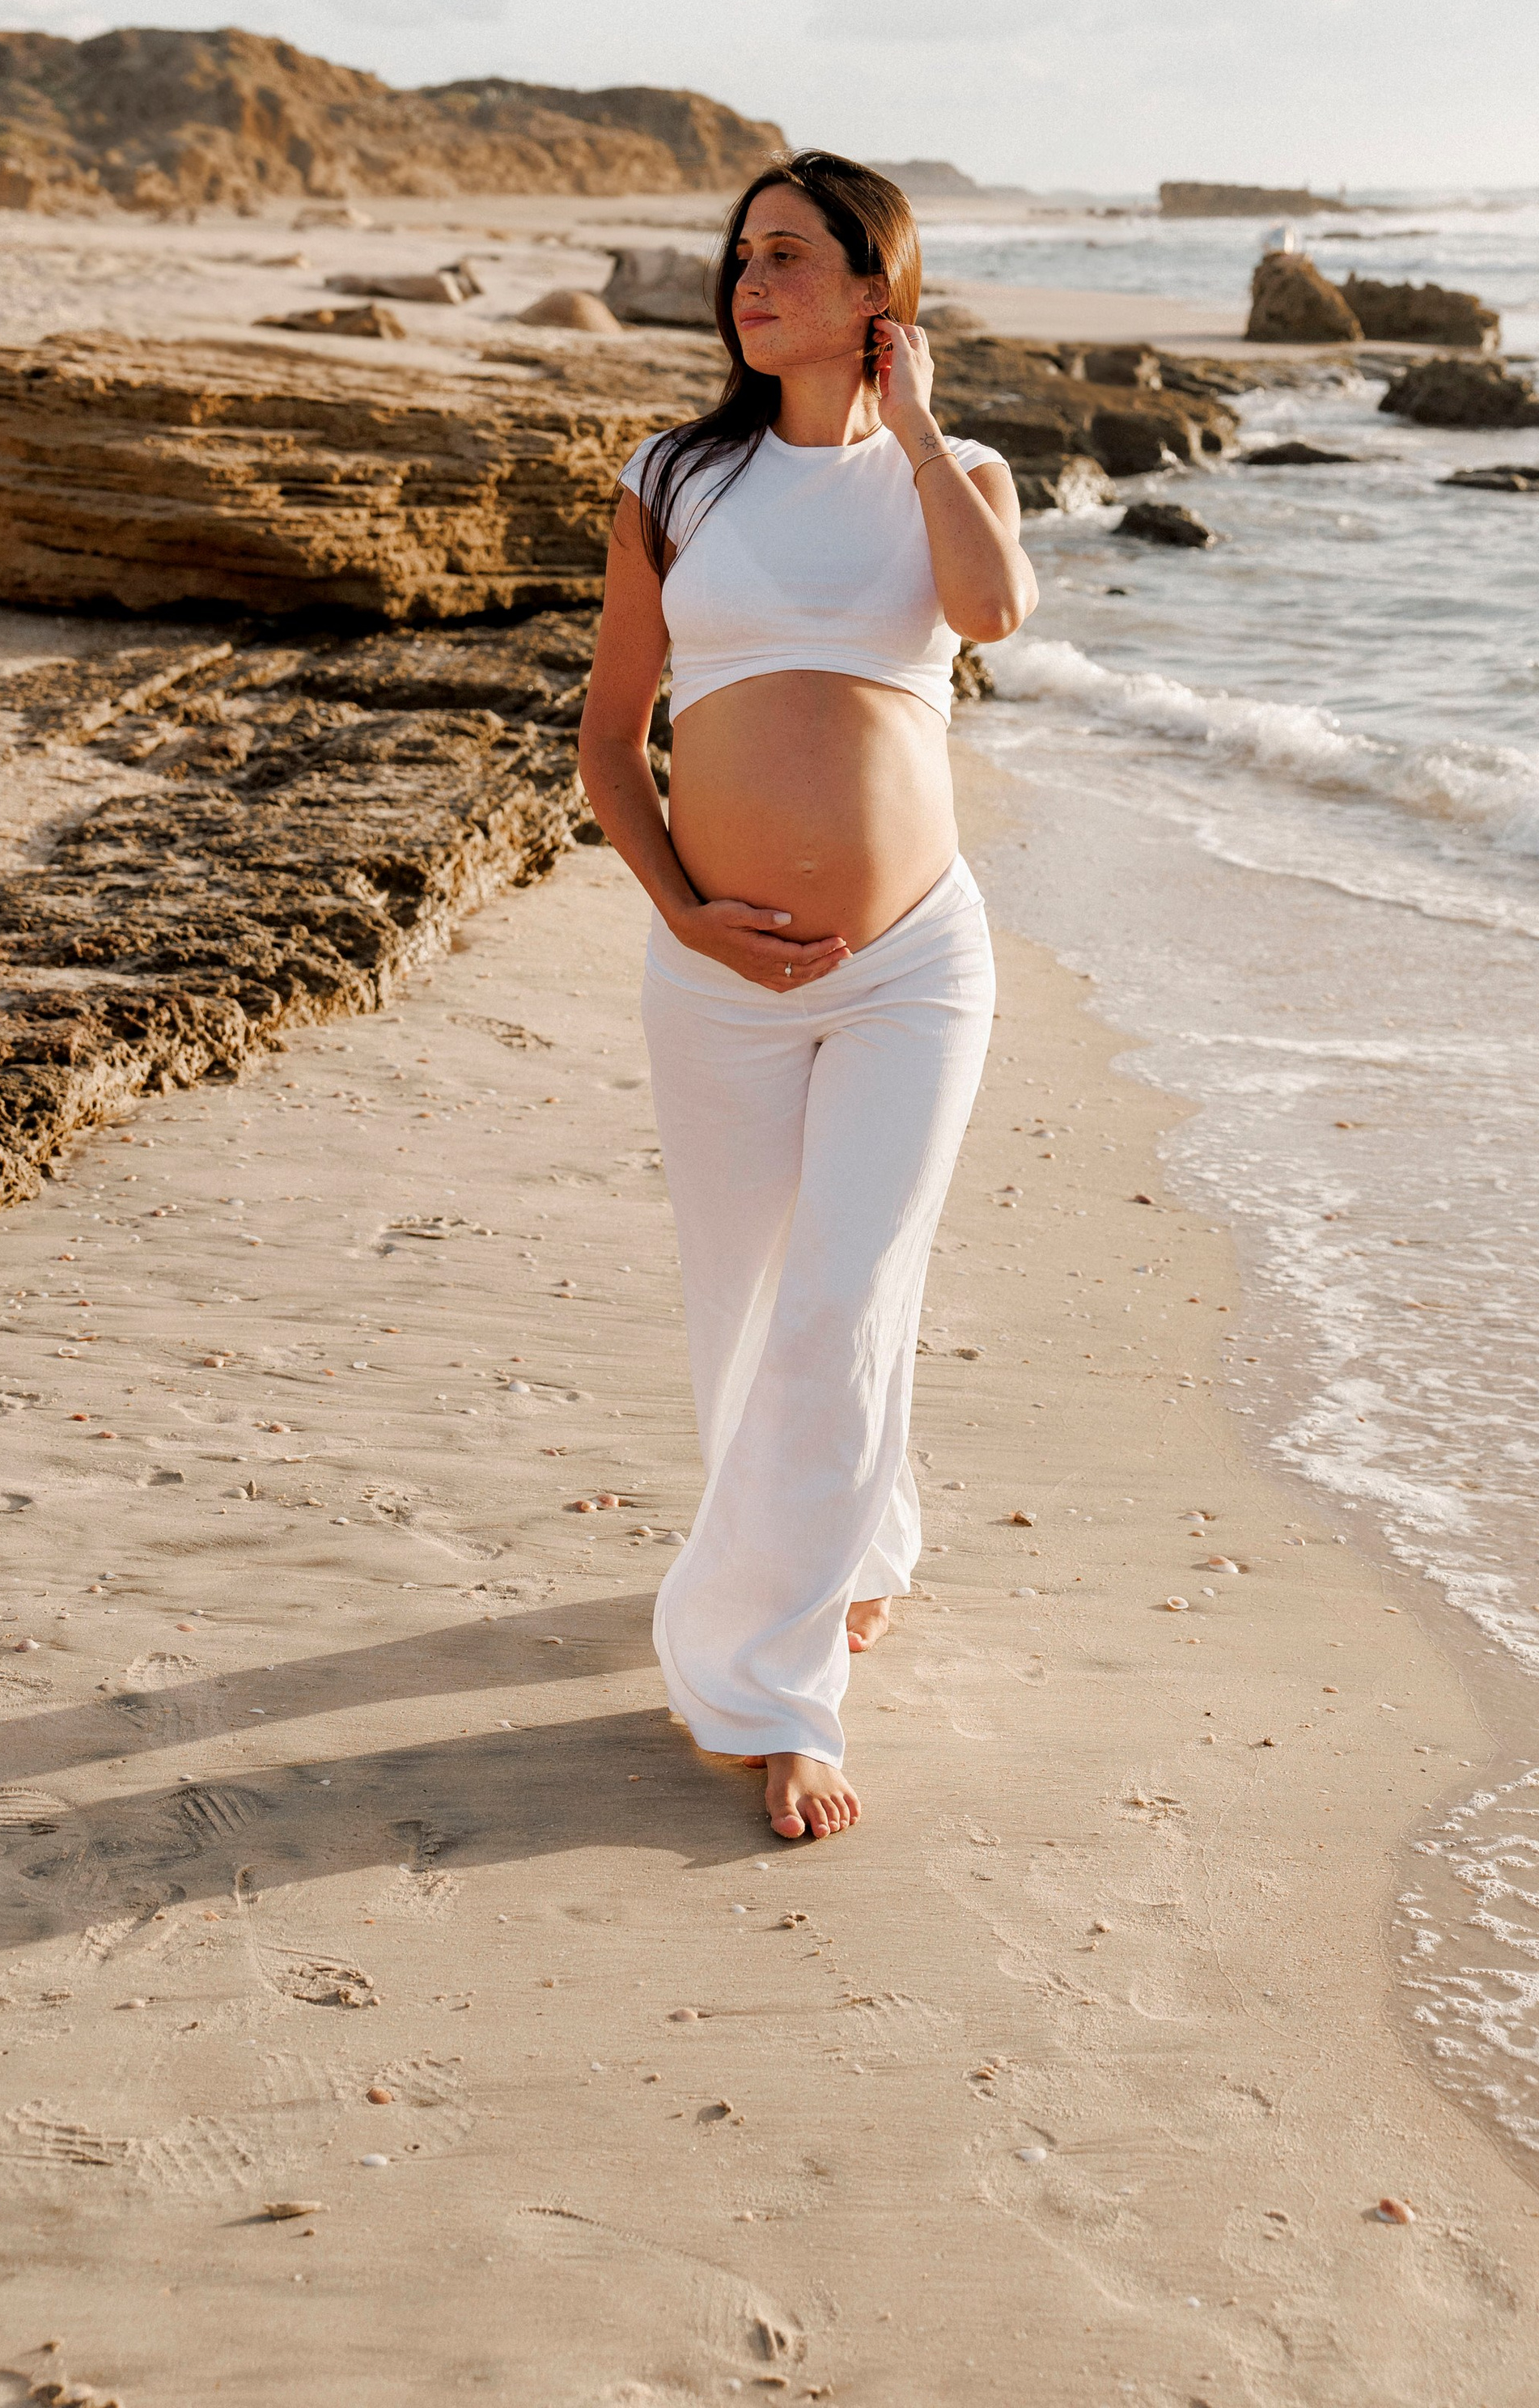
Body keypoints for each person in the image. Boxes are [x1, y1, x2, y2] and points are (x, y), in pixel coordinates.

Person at [578, 152, 1038, 1842]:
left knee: (845, 1293)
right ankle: (853, 1539)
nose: (747, 281)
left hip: (914, 966)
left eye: (790, 257)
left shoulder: (959, 470)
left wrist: (914, 426)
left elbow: (989, 612)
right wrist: (684, 913)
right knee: (750, 1306)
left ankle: (766, 1694)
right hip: (717, 976)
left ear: (873, 293)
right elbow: (610, 738)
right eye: (740, 256)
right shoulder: (673, 478)